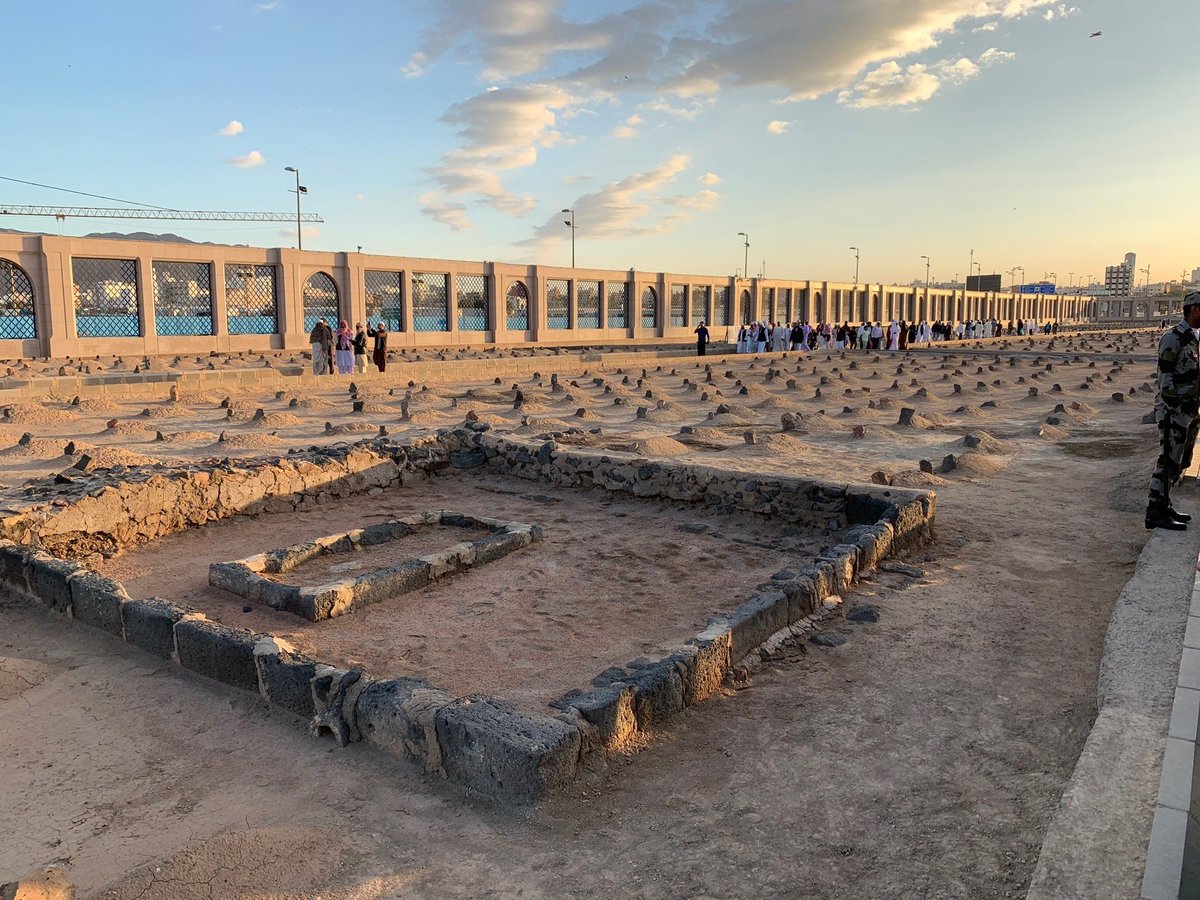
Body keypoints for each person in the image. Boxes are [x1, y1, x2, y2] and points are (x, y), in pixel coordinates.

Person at [1146, 292, 1200, 530]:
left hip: (1189, 411)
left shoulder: (1194, 339)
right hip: (1173, 411)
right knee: (1168, 461)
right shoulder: (1173, 338)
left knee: (1180, 462)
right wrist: (1177, 406)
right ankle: (1155, 512)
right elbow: (1165, 380)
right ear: (1194, 309)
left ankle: (1165, 506)